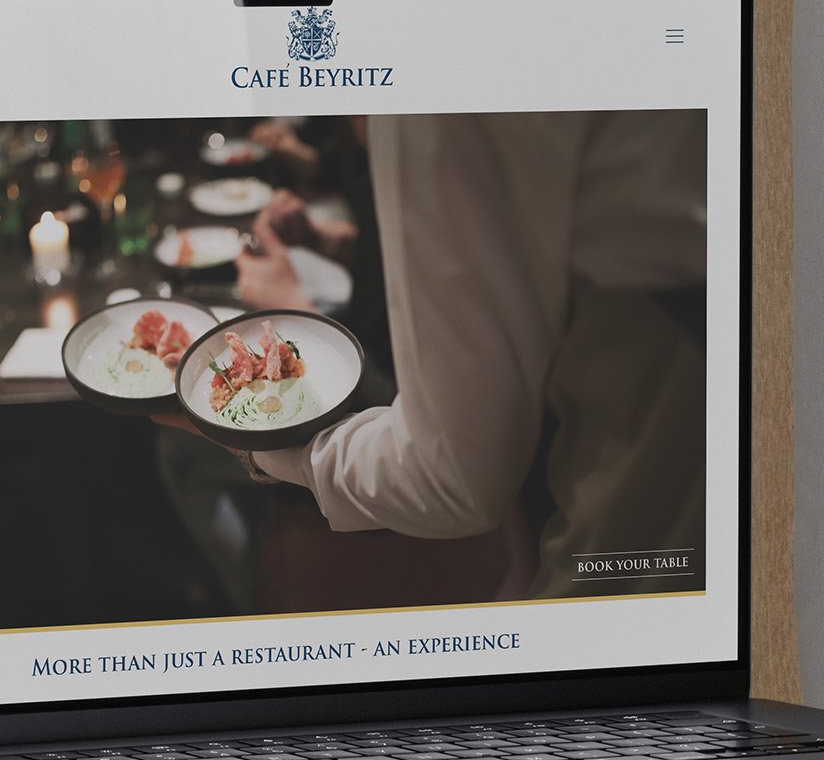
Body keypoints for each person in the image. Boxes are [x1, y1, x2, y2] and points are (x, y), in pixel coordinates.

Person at [251, 112, 707, 597]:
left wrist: (256, 445)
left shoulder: (430, 94)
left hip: (667, 428)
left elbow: (450, 478)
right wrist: (327, 241)